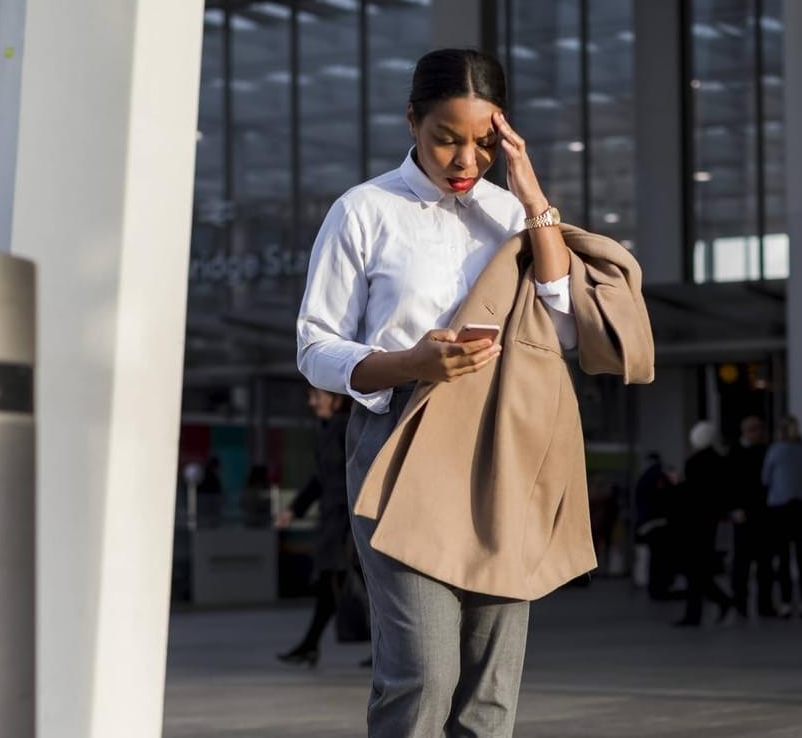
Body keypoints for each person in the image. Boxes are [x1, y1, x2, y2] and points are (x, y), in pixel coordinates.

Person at [296, 48, 653, 737]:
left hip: (503, 446)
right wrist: (408, 363)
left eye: (485, 142)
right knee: (422, 675)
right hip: (400, 439)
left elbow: (565, 329)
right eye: (445, 138)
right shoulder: (364, 211)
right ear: (411, 122)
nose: (465, 159)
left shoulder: (513, 215)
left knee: (490, 693)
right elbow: (315, 347)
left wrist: (531, 195)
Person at [274, 387, 359, 666]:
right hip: (333, 520)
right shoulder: (326, 430)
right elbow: (319, 479)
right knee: (329, 583)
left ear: (336, 398)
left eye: (317, 397)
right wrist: (294, 509)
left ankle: (311, 645)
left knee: (348, 583)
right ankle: (309, 645)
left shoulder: (348, 428)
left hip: (348, 520)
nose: (312, 403)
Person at [672, 421, 734, 627]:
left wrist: (677, 484)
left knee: (694, 570)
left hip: (693, 523)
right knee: (700, 569)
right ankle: (717, 603)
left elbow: (689, 494)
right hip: (710, 522)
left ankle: (706, 608)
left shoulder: (694, 462)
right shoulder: (720, 461)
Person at [727, 415, 775, 617]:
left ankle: (765, 605)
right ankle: (741, 604)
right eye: (753, 429)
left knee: (765, 563)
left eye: (759, 429)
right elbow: (729, 484)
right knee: (742, 564)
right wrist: (734, 508)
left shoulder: (766, 451)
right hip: (744, 514)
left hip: (763, 514)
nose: (757, 433)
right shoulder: (735, 453)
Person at [762, 415, 802, 618]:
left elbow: (765, 478)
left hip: (780, 509)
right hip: (799, 506)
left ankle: (786, 602)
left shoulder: (775, 451)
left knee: (783, 558)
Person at [634, 452, 680, 600]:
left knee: (654, 558)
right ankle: (661, 587)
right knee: (662, 558)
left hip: (648, 524)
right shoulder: (660, 477)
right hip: (659, 523)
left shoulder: (644, 477)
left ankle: (656, 588)